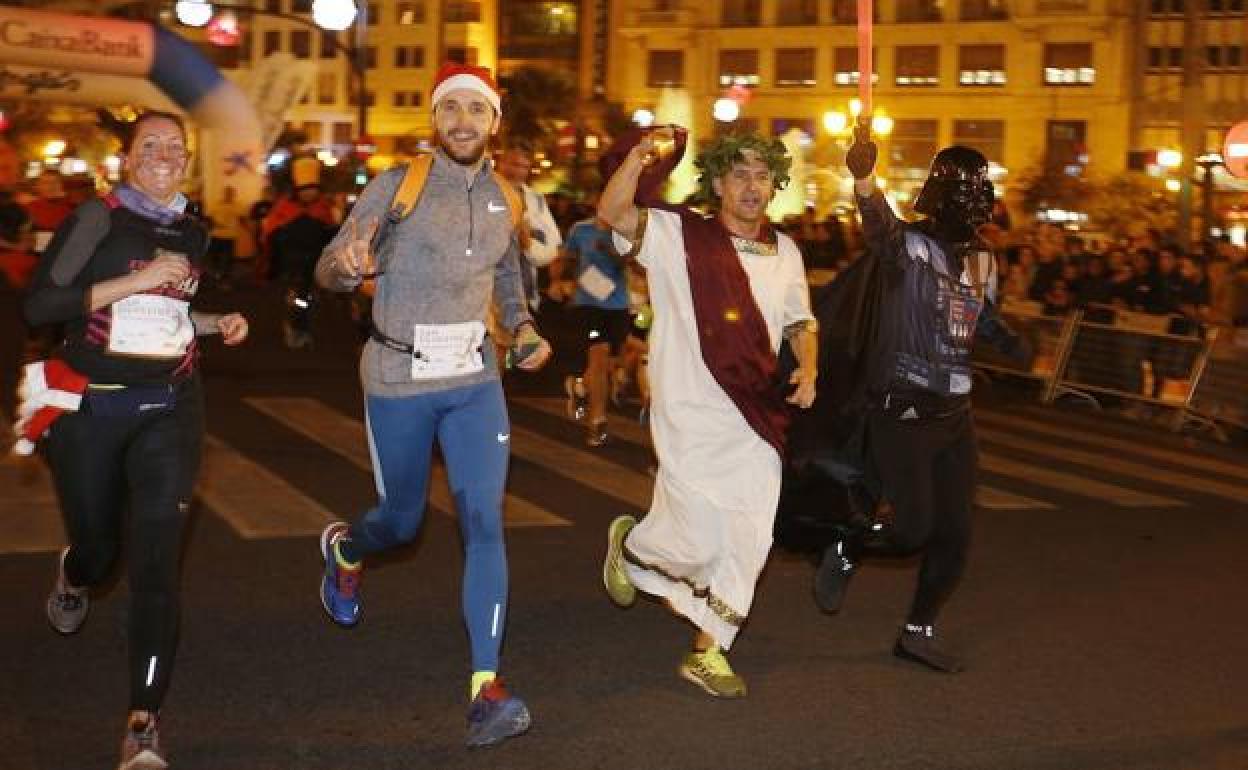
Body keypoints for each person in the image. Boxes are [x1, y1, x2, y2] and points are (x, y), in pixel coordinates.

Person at [313, 62, 552, 747]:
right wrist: (345, 266)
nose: (463, 123)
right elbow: (330, 266)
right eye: (452, 110)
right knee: (402, 522)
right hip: (398, 377)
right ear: (435, 120)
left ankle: (486, 686)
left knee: (483, 520)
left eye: (477, 111)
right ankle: (349, 549)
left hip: (474, 381)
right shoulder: (398, 188)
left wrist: (525, 327)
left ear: (493, 124)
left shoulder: (508, 197)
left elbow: (510, 281)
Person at [21, 110, 249, 770]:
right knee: (101, 551)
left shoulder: (193, 230)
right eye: (150, 145)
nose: (164, 155)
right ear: (127, 158)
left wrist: (213, 322)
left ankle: (143, 721)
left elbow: (166, 315)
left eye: (175, 147)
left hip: (171, 406)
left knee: (156, 561)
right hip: (91, 406)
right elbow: (40, 306)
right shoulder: (96, 218)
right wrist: (138, 278)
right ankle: (75, 572)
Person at [799, 121, 1028, 674]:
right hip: (903, 410)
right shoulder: (910, 249)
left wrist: (1010, 342)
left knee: (956, 533)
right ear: (943, 198)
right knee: (911, 530)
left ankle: (917, 631)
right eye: (966, 193)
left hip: (955, 415)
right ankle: (851, 545)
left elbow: (977, 314)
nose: (975, 207)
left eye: (982, 194)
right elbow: (879, 227)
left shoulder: (983, 259)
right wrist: (863, 176)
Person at [598, 127, 818, 698]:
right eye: (739, 173)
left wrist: (809, 369)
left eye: (762, 175)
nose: (751, 185)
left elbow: (801, 321)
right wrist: (643, 156)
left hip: (755, 414)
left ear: (775, 185)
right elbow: (614, 210)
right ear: (718, 182)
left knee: (749, 535)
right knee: (696, 537)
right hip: (690, 409)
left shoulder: (786, 250)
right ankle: (633, 549)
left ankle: (707, 652)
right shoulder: (677, 234)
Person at [561, 210, 633, 446]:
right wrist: (571, 281)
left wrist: (615, 254)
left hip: (618, 305)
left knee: (614, 363)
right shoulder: (580, 229)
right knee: (598, 357)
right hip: (588, 305)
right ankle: (597, 421)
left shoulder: (625, 231)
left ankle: (580, 387)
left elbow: (639, 265)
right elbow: (568, 259)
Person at [264, 157, 338, 349]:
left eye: (312, 189)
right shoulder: (284, 208)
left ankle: (303, 330)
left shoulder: (324, 209)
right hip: (292, 266)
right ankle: (296, 330)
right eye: (305, 190)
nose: (309, 193)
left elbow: (332, 239)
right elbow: (271, 235)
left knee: (309, 301)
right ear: (298, 191)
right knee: (297, 300)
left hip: (315, 265)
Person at [496, 144, 561, 309]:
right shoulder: (482, 195)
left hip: (525, 292)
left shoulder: (536, 200)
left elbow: (553, 246)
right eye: (514, 164)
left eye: (524, 166)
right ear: (501, 162)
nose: (518, 171)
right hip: (489, 294)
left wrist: (528, 238)